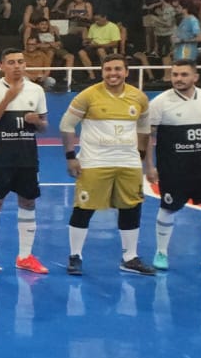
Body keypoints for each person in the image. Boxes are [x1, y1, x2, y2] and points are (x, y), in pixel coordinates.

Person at [61, 54, 155, 276]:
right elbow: (66, 125)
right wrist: (71, 156)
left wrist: (141, 158)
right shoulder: (88, 95)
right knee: (84, 208)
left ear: (126, 72)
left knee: (131, 207)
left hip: (128, 163)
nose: (113, 73)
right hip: (94, 162)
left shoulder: (139, 97)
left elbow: (144, 130)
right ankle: (75, 256)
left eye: (117, 69)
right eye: (108, 69)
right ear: (102, 72)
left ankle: (130, 257)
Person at [145, 60, 201, 271]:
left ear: (195, 77)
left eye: (184, 74)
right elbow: (146, 135)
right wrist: (149, 166)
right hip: (174, 168)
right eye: (175, 74)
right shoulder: (160, 102)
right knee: (169, 208)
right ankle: (161, 252)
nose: (178, 79)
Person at [0, 49, 50, 276]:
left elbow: (44, 126)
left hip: (27, 157)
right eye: (11, 62)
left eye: (20, 62)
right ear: (2, 66)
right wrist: (7, 99)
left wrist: (37, 121)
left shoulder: (36, 90)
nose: (17, 66)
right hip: (0, 157)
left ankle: (25, 257)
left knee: (28, 203)